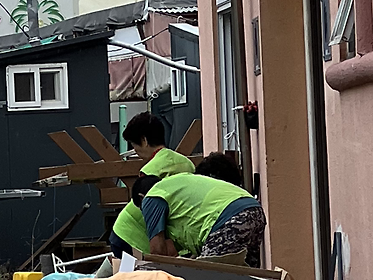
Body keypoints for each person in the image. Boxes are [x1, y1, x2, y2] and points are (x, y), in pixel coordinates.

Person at [133, 169, 266, 267]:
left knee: (207, 276)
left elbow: (158, 254)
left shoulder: (152, 196)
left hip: (228, 219)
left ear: (141, 197)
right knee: (250, 277)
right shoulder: (177, 187)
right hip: (253, 210)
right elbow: (174, 254)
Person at [110, 112, 195, 259]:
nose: (135, 151)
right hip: (148, 235)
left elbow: (152, 209)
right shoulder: (187, 164)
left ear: (144, 140)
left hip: (130, 234)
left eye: (134, 145)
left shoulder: (150, 170)